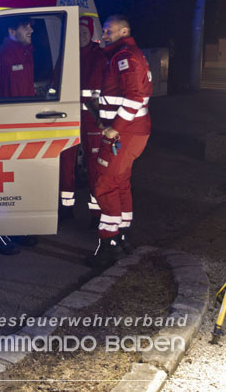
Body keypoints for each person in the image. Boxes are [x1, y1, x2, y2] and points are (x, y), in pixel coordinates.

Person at [87, 14, 152, 267]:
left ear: (124, 31)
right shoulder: (126, 54)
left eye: (109, 30)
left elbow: (134, 98)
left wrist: (115, 128)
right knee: (121, 183)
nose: (104, 35)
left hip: (124, 134)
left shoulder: (124, 57)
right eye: (104, 30)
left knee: (105, 185)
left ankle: (109, 244)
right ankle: (122, 236)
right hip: (133, 132)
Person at [0, 17, 38, 255]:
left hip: (24, 129)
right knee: (0, 186)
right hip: (5, 131)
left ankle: (16, 227)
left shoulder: (25, 54)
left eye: (31, 26)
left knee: (19, 182)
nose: (31, 30)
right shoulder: (1, 57)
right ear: (12, 30)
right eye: (26, 27)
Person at [58, 16, 106, 218]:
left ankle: (97, 212)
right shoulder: (66, 55)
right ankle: (66, 208)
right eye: (77, 32)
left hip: (93, 119)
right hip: (68, 117)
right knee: (66, 163)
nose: (80, 36)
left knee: (95, 165)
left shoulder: (100, 57)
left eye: (84, 32)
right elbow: (55, 84)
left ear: (91, 34)